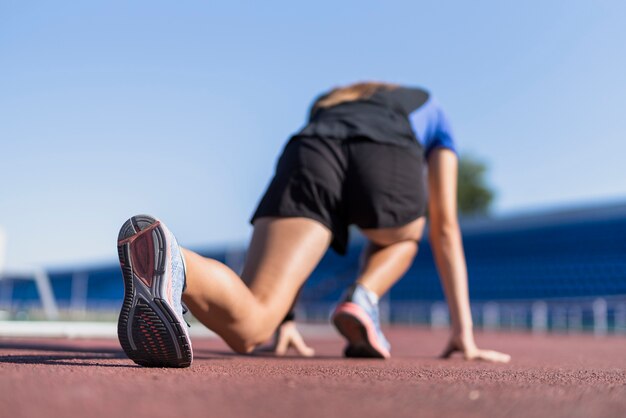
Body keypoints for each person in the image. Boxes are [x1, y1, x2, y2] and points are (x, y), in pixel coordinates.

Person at [116, 82, 511, 367]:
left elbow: (300, 245)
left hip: (312, 149)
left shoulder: (328, 101)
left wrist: (282, 317)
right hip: (388, 153)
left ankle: (178, 260)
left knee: (252, 323)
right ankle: (363, 299)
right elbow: (445, 228)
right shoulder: (430, 106)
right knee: (402, 238)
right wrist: (464, 332)